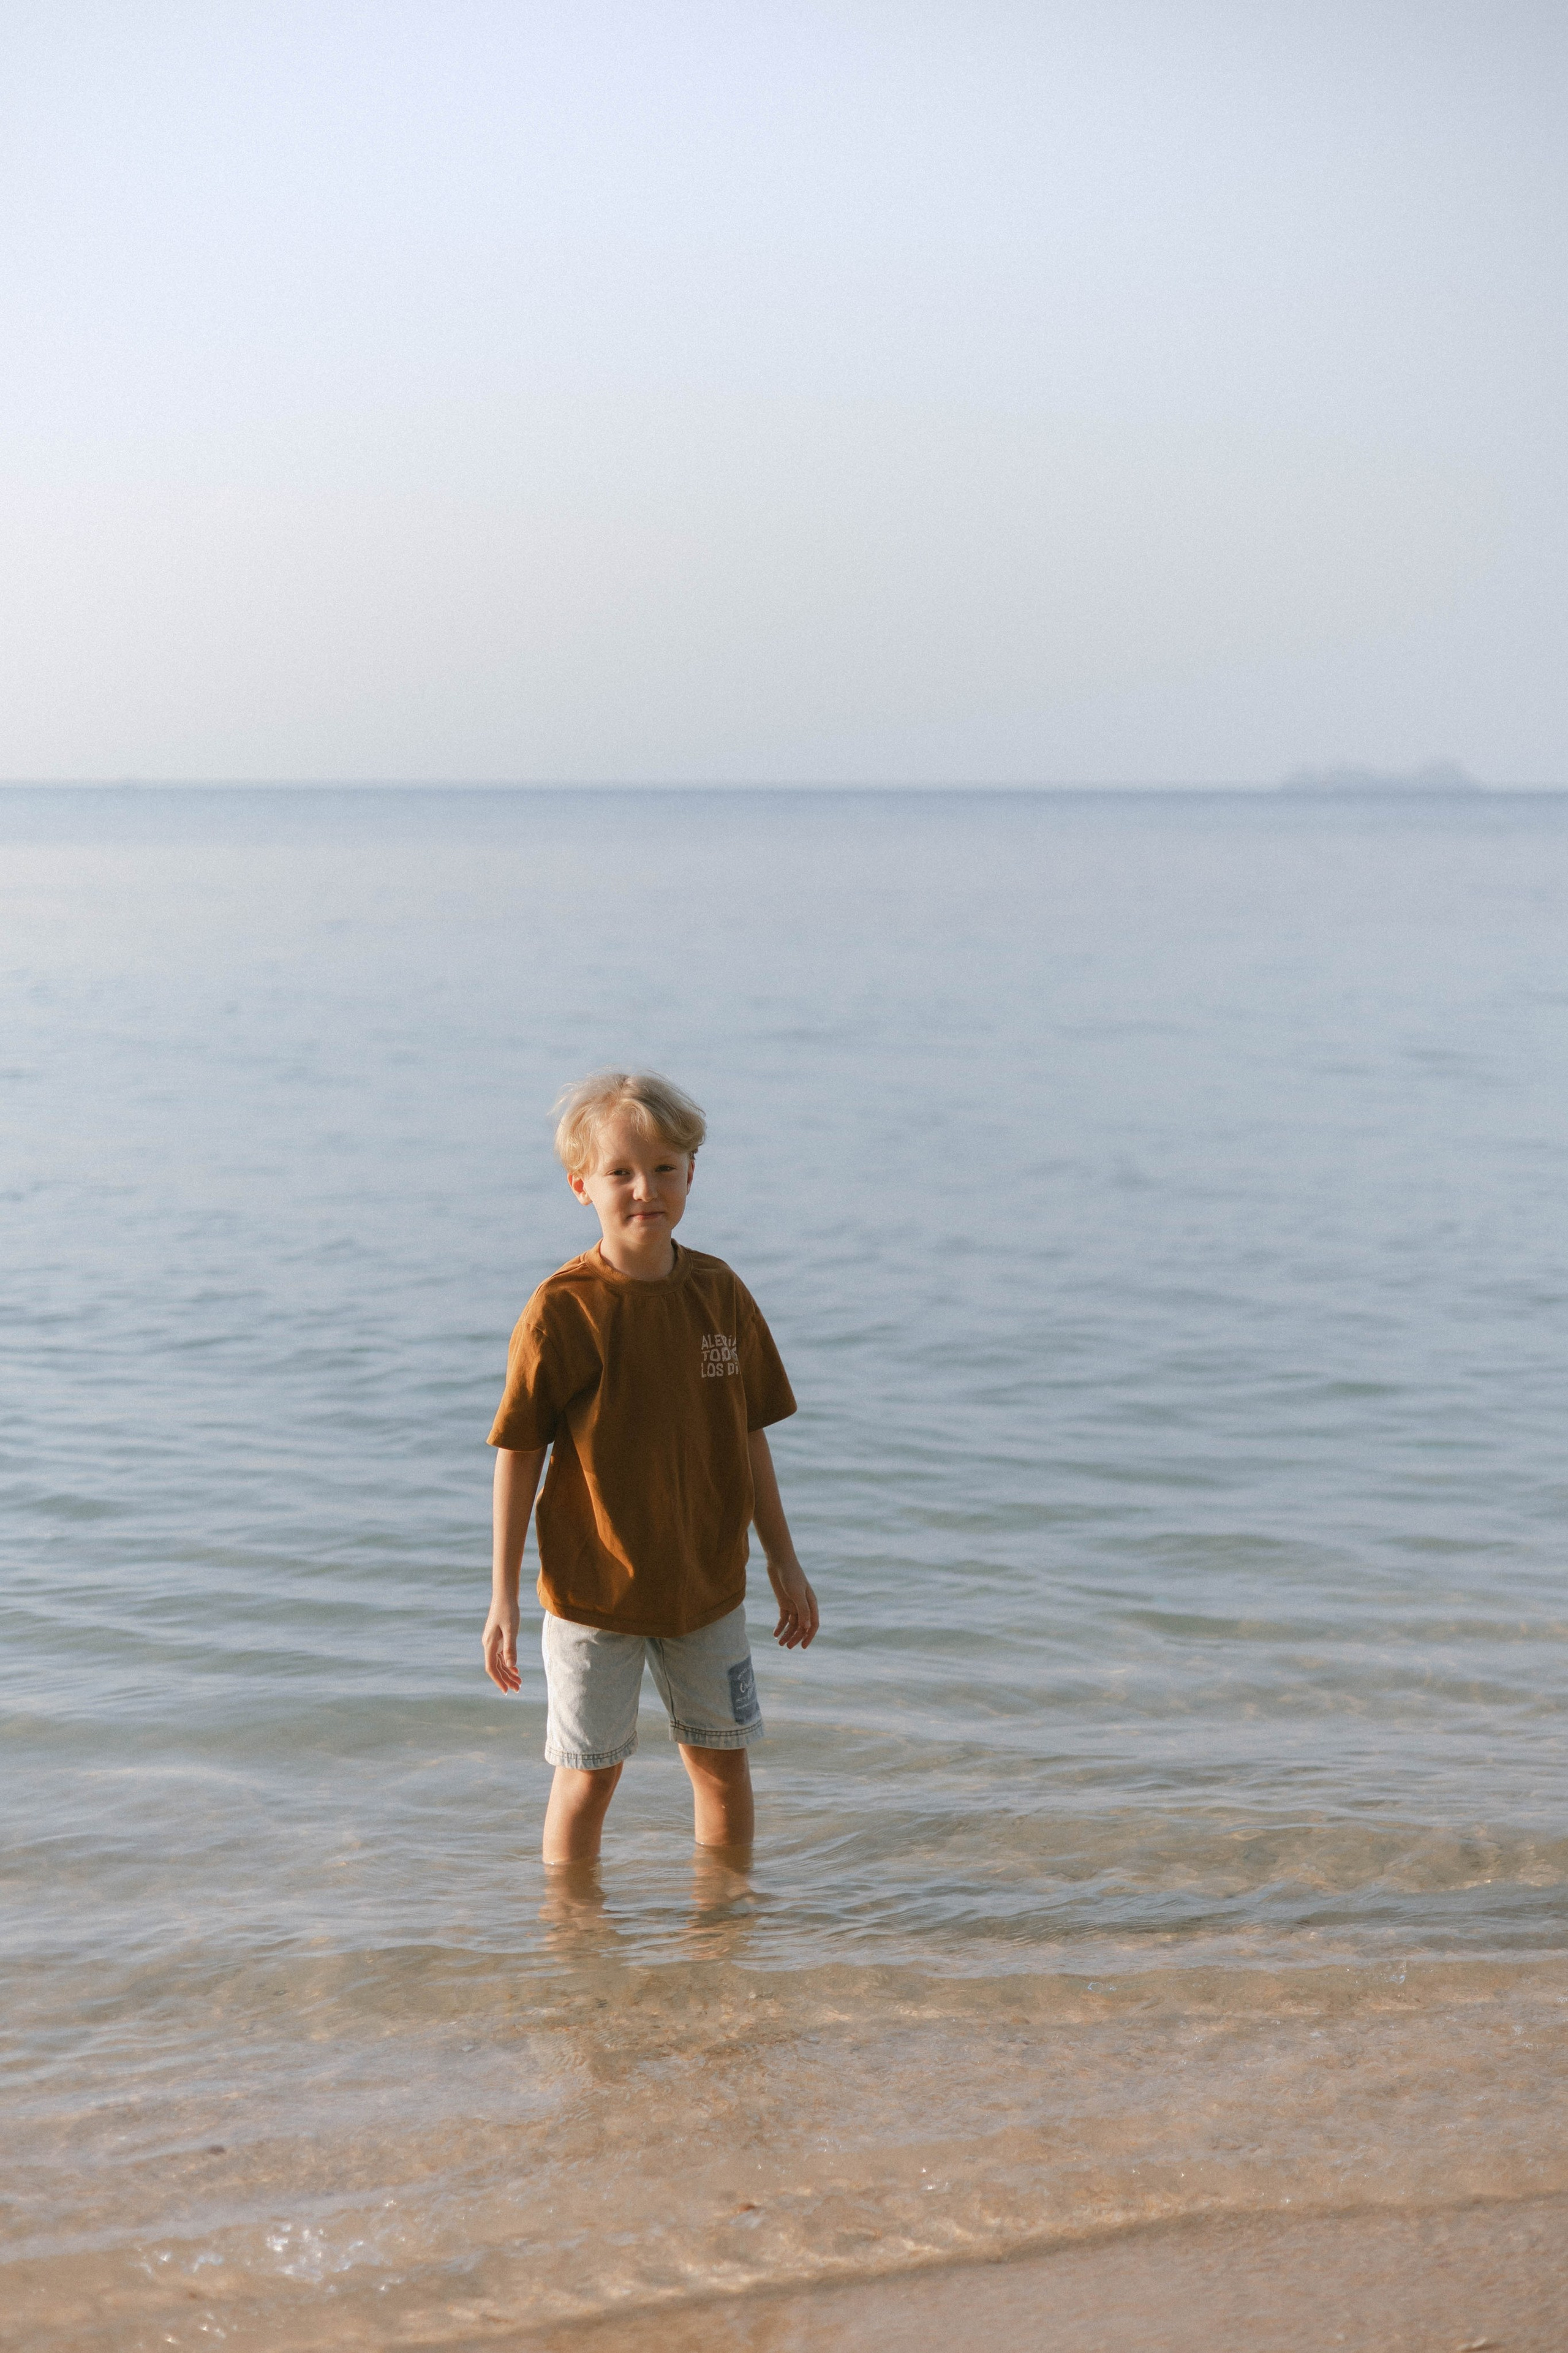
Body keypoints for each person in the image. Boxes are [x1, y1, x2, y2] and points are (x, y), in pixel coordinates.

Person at [481, 1070, 820, 1864]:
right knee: (589, 1776)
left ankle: (725, 1922)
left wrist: (784, 1559)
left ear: (692, 1173)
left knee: (722, 1767)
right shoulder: (563, 1308)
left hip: (707, 1586)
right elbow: (519, 1453)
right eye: (621, 1172)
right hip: (593, 1592)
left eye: (665, 1168)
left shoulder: (720, 1293)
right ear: (582, 1185)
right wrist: (502, 1596)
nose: (646, 1189)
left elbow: (750, 1434)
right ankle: (572, 1927)